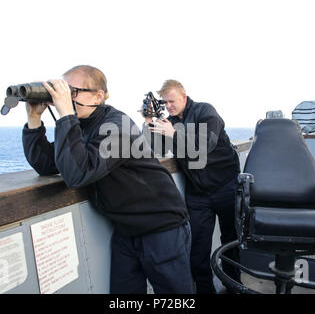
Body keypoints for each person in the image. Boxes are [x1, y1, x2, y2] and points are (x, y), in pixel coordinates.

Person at [22, 65, 194, 294]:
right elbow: (47, 164)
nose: (65, 97)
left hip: (161, 227)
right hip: (126, 230)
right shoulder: (81, 126)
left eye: (72, 91)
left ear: (98, 96)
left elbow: (77, 173)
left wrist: (66, 116)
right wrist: (34, 119)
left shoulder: (117, 126)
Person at [143, 79, 241, 294]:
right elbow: (157, 150)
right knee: (197, 250)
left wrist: (174, 134)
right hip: (198, 193)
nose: (168, 106)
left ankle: (234, 289)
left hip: (226, 187)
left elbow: (205, 146)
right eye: (165, 102)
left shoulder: (205, 111)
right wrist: (150, 121)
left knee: (230, 244)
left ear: (184, 97)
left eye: (172, 101)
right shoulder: (169, 123)